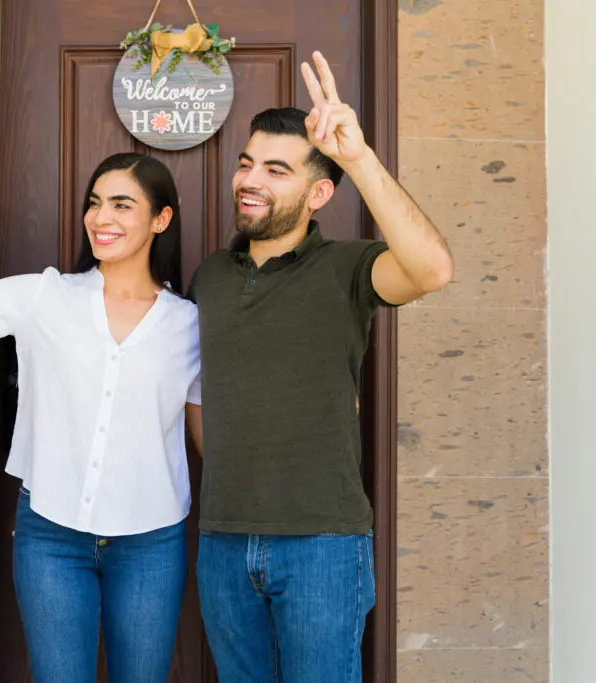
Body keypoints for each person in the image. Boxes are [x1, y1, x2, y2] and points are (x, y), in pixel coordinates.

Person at [0, 113, 202, 683]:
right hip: (51, 534)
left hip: (152, 541)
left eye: (122, 205)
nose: (101, 218)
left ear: (161, 219)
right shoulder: (45, 296)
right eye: (95, 203)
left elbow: (209, 440)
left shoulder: (191, 325)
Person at [189, 52, 454, 683]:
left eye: (276, 169)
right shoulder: (211, 276)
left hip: (322, 545)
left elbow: (432, 271)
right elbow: (197, 389)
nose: (250, 179)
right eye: (247, 163)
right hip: (222, 539)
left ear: (319, 193)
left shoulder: (348, 267)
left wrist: (357, 157)